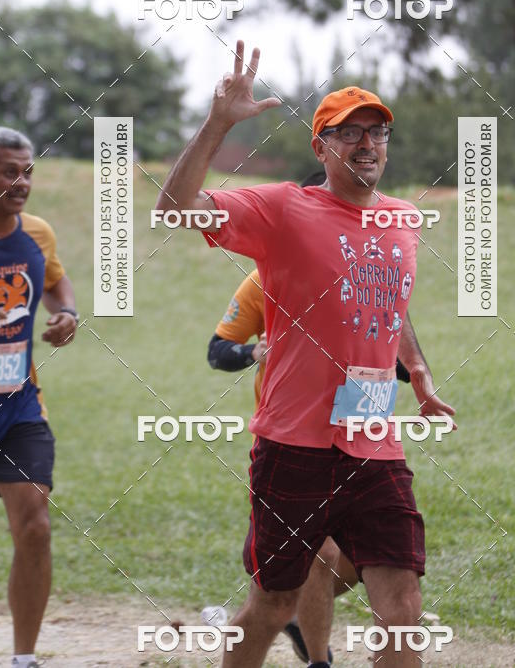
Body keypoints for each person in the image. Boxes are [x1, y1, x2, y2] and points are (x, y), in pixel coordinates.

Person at [157, 41, 456, 668]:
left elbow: (389, 307)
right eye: (346, 134)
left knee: (401, 605)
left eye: (376, 133)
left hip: (375, 438)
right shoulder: (283, 208)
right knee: (274, 602)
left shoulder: (403, 220)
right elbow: (175, 211)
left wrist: (421, 377)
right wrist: (218, 123)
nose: (366, 144)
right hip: (294, 446)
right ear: (320, 149)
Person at [208, 170, 415, 664]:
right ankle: (313, 651)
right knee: (312, 564)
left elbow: (394, 331)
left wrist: (412, 370)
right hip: (294, 440)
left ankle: (294, 614)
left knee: (374, 577)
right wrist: (254, 354)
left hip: (368, 436)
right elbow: (218, 351)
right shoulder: (265, 275)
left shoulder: (368, 268)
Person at [0, 129, 79, 668]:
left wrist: (67, 313)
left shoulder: (38, 234)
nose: (21, 183)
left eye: (27, 171)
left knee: (35, 526)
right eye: (9, 172)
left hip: (19, 406)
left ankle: (23, 660)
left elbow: (54, 281)